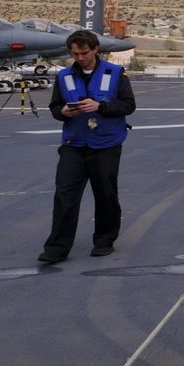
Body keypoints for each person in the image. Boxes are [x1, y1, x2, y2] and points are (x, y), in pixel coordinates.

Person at [39, 29, 136, 263]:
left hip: (106, 143)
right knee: (65, 194)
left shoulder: (115, 74)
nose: (80, 58)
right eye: (75, 54)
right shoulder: (64, 77)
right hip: (74, 143)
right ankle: (57, 247)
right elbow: (55, 108)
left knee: (105, 193)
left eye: (84, 53)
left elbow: (128, 105)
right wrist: (62, 112)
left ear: (95, 50)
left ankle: (104, 240)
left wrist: (100, 107)